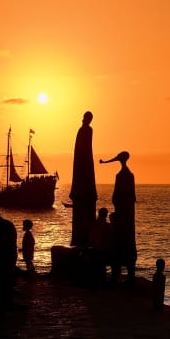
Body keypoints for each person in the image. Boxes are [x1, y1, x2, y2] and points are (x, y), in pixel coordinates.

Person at [100, 151, 137, 285]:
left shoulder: (122, 176)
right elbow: (131, 197)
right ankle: (129, 273)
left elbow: (119, 195)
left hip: (123, 211)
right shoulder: (128, 175)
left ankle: (121, 273)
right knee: (126, 240)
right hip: (126, 213)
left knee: (121, 240)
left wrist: (117, 202)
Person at [69, 111, 98, 247]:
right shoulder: (85, 130)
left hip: (83, 168)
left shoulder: (84, 130)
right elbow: (84, 150)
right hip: (83, 167)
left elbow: (86, 150)